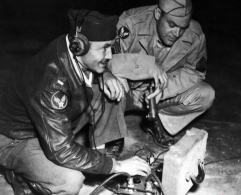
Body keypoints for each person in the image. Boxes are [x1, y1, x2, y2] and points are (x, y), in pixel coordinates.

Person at [0, 9, 158, 195]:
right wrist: (115, 166)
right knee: (71, 180)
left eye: (111, 47)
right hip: (16, 139)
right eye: (104, 48)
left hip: (49, 123)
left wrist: (106, 73)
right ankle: (22, 175)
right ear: (79, 46)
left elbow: (94, 65)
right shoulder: (51, 84)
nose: (109, 55)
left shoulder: (72, 47)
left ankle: (102, 159)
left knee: (112, 88)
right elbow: (61, 150)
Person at [107, 0, 215, 148]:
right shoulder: (130, 23)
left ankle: (156, 121)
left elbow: (194, 71)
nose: (176, 33)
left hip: (156, 97)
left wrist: (164, 89)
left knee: (205, 94)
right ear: (158, 14)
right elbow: (105, 60)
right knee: (109, 80)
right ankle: (114, 132)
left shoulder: (195, 34)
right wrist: (147, 65)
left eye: (182, 28)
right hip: (125, 93)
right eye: (171, 25)